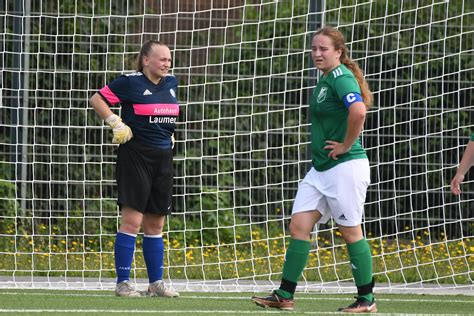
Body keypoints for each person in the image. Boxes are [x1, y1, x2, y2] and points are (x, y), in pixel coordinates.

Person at [251, 26, 376, 313]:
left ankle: (367, 300)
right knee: (299, 226)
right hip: (321, 170)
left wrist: (345, 144)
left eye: (324, 49)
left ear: (338, 52)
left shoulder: (341, 78)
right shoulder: (325, 79)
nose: (317, 53)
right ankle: (284, 295)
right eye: (314, 48)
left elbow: (359, 111)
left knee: (350, 232)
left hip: (345, 167)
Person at [90, 40, 179, 298]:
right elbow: (97, 99)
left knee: (156, 223)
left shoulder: (172, 83)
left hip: (163, 158)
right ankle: (123, 283)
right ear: (146, 60)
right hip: (135, 156)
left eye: (169, 60)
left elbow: (165, 115)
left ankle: (155, 284)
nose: (166, 64)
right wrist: (115, 121)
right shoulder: (130, 82)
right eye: (161, 59)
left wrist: (168, 133)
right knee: (132, 221)